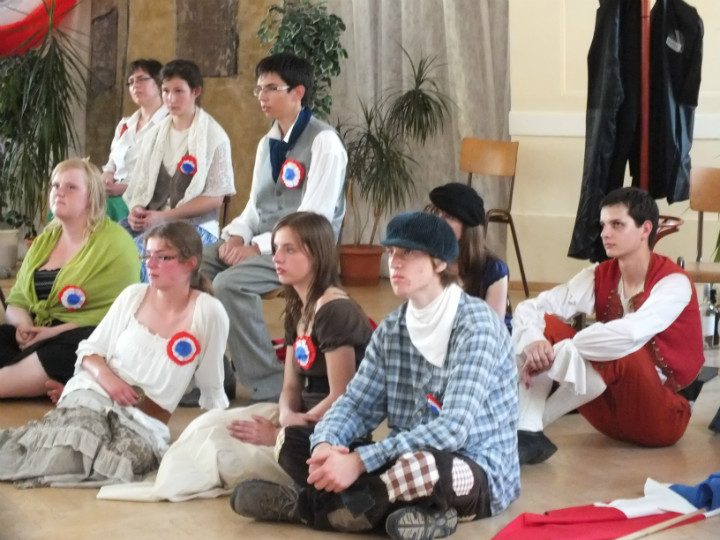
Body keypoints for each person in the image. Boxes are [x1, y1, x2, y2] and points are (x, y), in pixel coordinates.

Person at [231, 212, 520, 540]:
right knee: (293, 440)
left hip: (470, 467)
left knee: (423, 469)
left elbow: (452, 430)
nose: (394, 262)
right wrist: (327, 443)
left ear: (440, 262)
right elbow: (355, 403)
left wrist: (358, 462)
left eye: (408, 252)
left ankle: (305, 507)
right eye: (391, 252)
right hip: (399, 457)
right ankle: (412, 514)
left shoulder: (476, 326)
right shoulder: (392, 328)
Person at [96, 212, 372, 501]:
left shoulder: (334, 311)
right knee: (206, 425)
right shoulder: (298, 308)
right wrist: (286, 414)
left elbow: (342, 397)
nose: (277, 258)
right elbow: (290, 386)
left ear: (317, 255)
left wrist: (281, 431)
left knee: (218, 450)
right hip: (299, 417)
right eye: (276, 248)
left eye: (289, 250)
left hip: (330, 430)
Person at [0, 221, 230, 488]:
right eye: (148, 255)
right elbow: (89, 350)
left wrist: (218, 442)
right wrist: (110, 381)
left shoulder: (209, 312)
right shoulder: (133, 295)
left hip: (145, 422)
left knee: (122, 462)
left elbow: (213, 388)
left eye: (163, 257)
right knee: (72, 446)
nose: (150, 264)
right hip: (96, 393)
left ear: (190, 263)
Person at [513, 187, 704, 465]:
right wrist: (535, 341)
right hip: (607, 412)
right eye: (603, 225)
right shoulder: (599, 274)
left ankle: (526, 426)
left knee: (619, 347)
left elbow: (631, 333)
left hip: (660, 417)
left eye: (617, 224)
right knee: (543, 326)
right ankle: (526, 430)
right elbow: (530, 309)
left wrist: (567, 347)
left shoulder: (674, 282)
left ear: (645, 229)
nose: (605, 233)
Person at [201, 52, 347, 403]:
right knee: (193, 264)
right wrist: (237, 235)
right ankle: (216, 374)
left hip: (305, 249)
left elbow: (315, 218)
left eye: (271, 88)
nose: (262, 96)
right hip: (266, 241)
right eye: (259, 89)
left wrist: (258, 247)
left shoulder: (324, 142)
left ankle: (270, 383)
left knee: (229, 284)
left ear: (298, 92)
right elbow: (255, 206)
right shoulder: (267, 143)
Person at [0, 158, 139, 400]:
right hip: (36, 334)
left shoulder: (116, 243)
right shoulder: (45, 240)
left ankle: (18, 381)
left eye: (70, 187)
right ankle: (34, 382)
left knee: (76, 347)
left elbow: (115, 316)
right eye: (55, 185)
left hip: (80, 339)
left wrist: (51, 333)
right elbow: (18, 299)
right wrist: (24, 326)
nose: (59, 192)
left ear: (91, 197)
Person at [122, 58, 236, 280]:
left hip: (196, 227)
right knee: (107, 244)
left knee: (139, 254)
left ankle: (150, 303)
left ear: (195, 91)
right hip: (152, 220)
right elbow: (140, 185)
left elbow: (215, 198)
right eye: (165, 91)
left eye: (178, 91)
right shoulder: (154, 134)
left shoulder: (214, 136)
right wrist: (137, 210)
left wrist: (164, 217)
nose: (170, 99)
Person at [426, 182, 510, 327]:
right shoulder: (427, 259)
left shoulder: (494, 270)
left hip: (480, 336)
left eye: (449, 216)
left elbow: (492, 331)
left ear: (467, 228)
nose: (439, 221)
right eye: (437, 213)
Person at [102, 58, 168, 221]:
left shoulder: (170, 124)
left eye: (141, 79)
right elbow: (111, 166)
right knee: (67, 206)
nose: (135, 86)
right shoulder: (125, 125)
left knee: (98, 211)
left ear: (160, 83)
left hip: (145, 200)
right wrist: (107, 178)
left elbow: (166, 178)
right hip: (113, 193)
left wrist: (124, 189)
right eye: (131, 82)